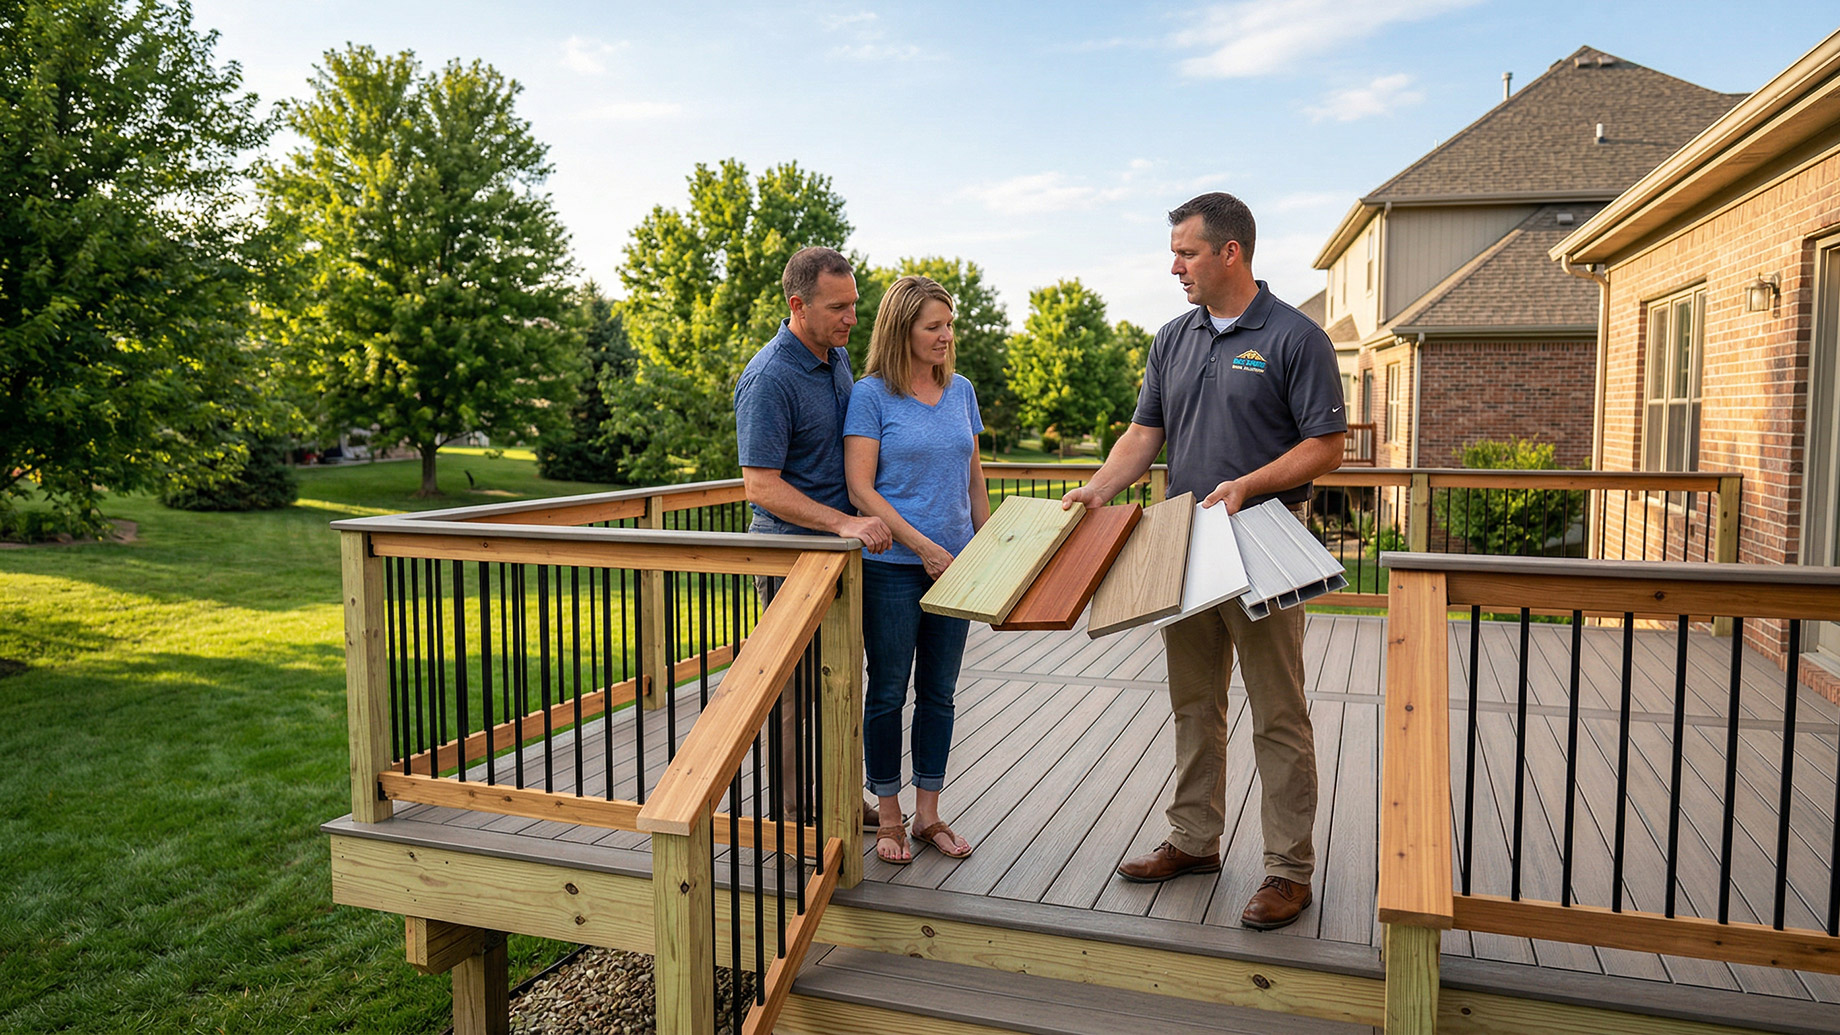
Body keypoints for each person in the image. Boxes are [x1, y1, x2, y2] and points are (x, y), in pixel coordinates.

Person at [1061, 193, 1346, 930]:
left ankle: (1288, 870)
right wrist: (1097, 488)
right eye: (1174, 252)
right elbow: (1142, 433)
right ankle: (1194, 840)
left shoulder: (1294, 337)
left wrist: (1251, 483)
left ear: (1231, 252)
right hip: (1182, 544)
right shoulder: (1171, 338)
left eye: (1186, 252)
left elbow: (1325, 446)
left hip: (1265, 544)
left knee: (1278, 711)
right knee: (1194, 703)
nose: (1174, 265)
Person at [735, 245, 892, 832]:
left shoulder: (836, 359)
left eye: (854, 304)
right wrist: (844, 521)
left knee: (841, 683)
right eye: (838, 307)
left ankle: (842, 801)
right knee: (796, 698)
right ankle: (796, 817)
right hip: (789, 560)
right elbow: (761, 486)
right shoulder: (770, 378)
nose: (853, 317)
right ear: (798, 305)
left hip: (837, 558)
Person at [842, 275, 989, 865]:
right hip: (895, 568)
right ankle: (891, 814)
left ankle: (929, 813)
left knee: (939, 692)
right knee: (886, 691)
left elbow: (973, 479)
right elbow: (860, 488)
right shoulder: (871, 395)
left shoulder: (961, 391)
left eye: (950, 325)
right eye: (934, 327)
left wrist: (986, 548)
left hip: (955, 567)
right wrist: (923, 547)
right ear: (902, 330)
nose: (946, 337)